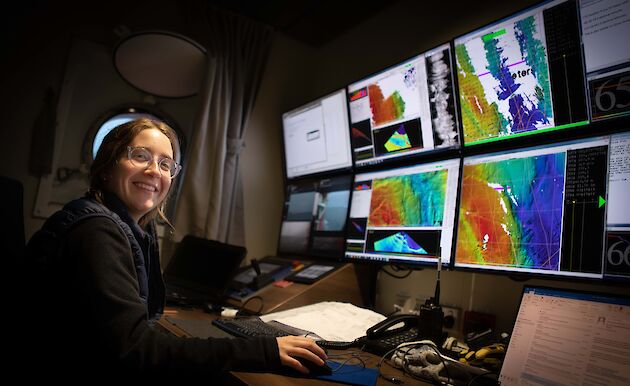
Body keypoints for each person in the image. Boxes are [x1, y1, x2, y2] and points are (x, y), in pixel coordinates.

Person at [21, 118, 326, 380]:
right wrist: (263, 350)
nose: (155, 170)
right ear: (106, 168)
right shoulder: (97, 231)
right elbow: (136, 349)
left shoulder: (131, 229)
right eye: (140, 156)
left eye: (165, 164)